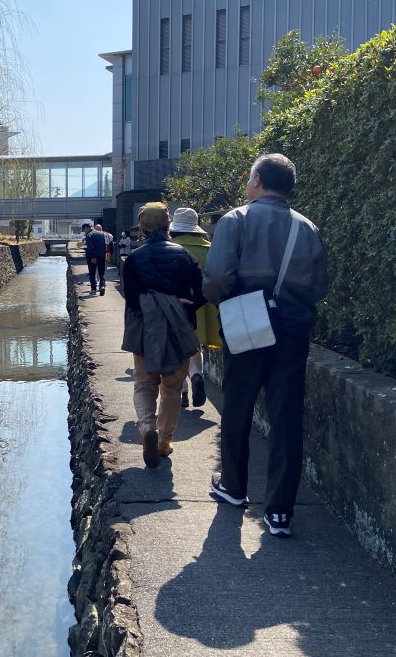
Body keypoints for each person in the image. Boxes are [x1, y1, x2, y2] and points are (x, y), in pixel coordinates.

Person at [204, 153, 328, 537]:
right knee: (286, 416)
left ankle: (234, 488)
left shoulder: (236, 220)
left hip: (247, 327)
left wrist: (227, 302)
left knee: (237, 407)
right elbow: (318, 287)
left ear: (256, 179)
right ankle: (279, 512)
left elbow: (218, 278)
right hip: (292, 329)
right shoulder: (307, 228)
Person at [121, 202, 206, 468]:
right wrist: (182, 304)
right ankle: (163, 441)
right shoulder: (183, 255)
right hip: (179, 330)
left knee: (144, 384)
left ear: (142, 228)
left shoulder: (134, 258)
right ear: (168, 224)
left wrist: (154, 304)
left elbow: (133, 300)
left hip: (146, 331)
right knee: (171, 387)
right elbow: (204, 291)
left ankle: (147, 427)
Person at [168, 207, 222, 409]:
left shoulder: (171, 247)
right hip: (205, 304)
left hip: (178, 306)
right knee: (195, 346)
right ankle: (197, 374)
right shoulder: (210, 248)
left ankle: (183, 393)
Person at [81, 222, 107, 295]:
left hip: (92, 257)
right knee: (101, 272)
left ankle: (93, 289)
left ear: (86, 228)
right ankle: (102, 286)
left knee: (92, 273)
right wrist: (103, 255)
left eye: (84, 230)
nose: (84, 232)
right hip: (101, 256)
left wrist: (92, 257)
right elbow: (104, 246)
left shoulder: (89, 235)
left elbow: (90, 247)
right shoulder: (101, 234)